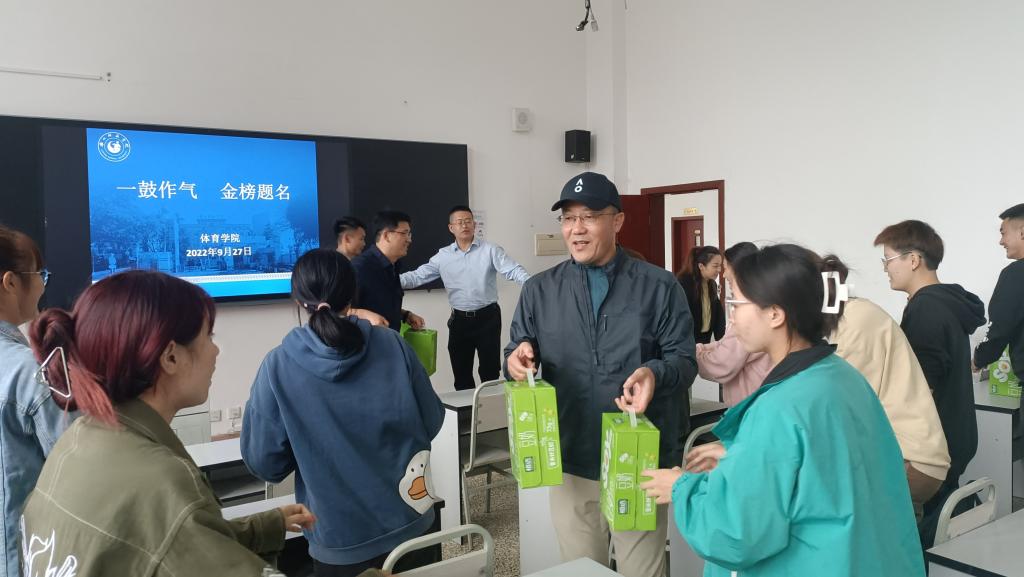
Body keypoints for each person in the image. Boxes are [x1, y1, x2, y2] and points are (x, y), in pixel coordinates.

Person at [641, 244, 925, 576]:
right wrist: (742, 456)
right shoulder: (842, 376)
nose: (732, 316)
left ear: (775, 314)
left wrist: (681, 489)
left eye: (737, 303)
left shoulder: (780, 406)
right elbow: (825, 469)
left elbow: (737, 534)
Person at [21, 270, 315, 576]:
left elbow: (153, 546)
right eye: (208, 337)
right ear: (170, 357)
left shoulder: (77, 440)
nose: (215, 351)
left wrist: (263, 528)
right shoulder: (162, 482)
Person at [504, 171, 697, 577]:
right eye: (568, 218)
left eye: (589, 217)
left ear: (617, 221)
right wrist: (515, 361)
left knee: (641, 569)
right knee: (580, 569)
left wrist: (654, 373)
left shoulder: (659, 286)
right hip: (571, 455)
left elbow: (684, 360)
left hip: (638, 455)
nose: (576, 229)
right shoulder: (539, 290)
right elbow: (516, 350)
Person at [242, 249, 444, 577]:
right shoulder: (393, 345)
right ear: (352, 295)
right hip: (412, 523)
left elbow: (265, 464)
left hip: (339, 542)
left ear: (299, 300)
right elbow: (432, 421)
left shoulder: (277, 367)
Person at [822, 252, 952, 523]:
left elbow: (843, 405)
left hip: (911, 457)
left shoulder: (855, 321)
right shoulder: (850, 316)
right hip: (906, 449)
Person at [873, 220, 985, 528]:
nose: (885, 268)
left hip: (934, 445)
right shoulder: (944, 301)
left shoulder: (926, 308)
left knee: (920, 530)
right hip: (956, 434)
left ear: (913, 260)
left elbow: (922, 388)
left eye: (888, 260)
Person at [0, 226, 74, 577]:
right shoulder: (31, 372)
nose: (43, 286)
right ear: (10, 282)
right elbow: (81, 466)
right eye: (39, 275)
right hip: (24, 557)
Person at [401, 205, 530, 390]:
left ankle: (490, 408)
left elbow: (513, 270)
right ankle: (466, 409)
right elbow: (416, 277)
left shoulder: (490, 250)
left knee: (490, 372)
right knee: (461, 374)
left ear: (474, 225)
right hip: (459, 321)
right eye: (459, 222)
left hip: (488, 319)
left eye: (468, 221)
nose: (464, 225)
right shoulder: (443, 256)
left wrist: (533, 285)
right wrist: (388, 279)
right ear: (451, 227)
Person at [694, 241, 771, 406]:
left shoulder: (750, 311)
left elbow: (724, 363)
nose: (722, 274)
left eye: (725, 267)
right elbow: (728, 344)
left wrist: (692, 354)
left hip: (750, 402)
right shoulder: (762, 300)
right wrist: (701, 348)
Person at [351, 211, 425, 332]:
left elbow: (381, 305)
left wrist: (405, 315)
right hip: (365, 340)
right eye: (404, 233)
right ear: (386, 235)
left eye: (409, 234)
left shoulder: (394, 265)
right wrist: (365, 316)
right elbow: (339, 311)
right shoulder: (359, 268)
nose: (409, 240)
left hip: (388, 339)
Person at [974, 203, 1024, 377]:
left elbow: (1000, 327)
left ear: (1022, 232)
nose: (1001, 241)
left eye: (1003, 233)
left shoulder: (1016, 273)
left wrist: (979, 359)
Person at [677, 246, 725, 345]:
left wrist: (722, 343)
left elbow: (717, 315)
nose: (719, 270)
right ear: (701, 266)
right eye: (715, 266)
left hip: (705, 339)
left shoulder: (712, 284)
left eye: (720, 266)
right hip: (686, 340)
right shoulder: (684, 283)